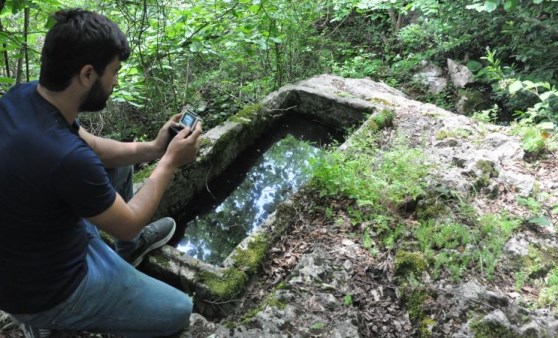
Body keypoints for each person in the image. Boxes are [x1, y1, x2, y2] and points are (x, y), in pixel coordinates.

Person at [0, 8, 202, 338]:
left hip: (30, 250)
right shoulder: (67, 158)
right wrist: (170, 162)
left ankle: (131, 253)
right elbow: (129, 223)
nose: (116, 81)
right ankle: (46, 321)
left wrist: (154, 148)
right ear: (87, 74)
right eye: (115, 72)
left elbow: (93, 146)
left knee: (119, 160)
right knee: (179, 310)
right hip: (44, 292)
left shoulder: (23, 96)